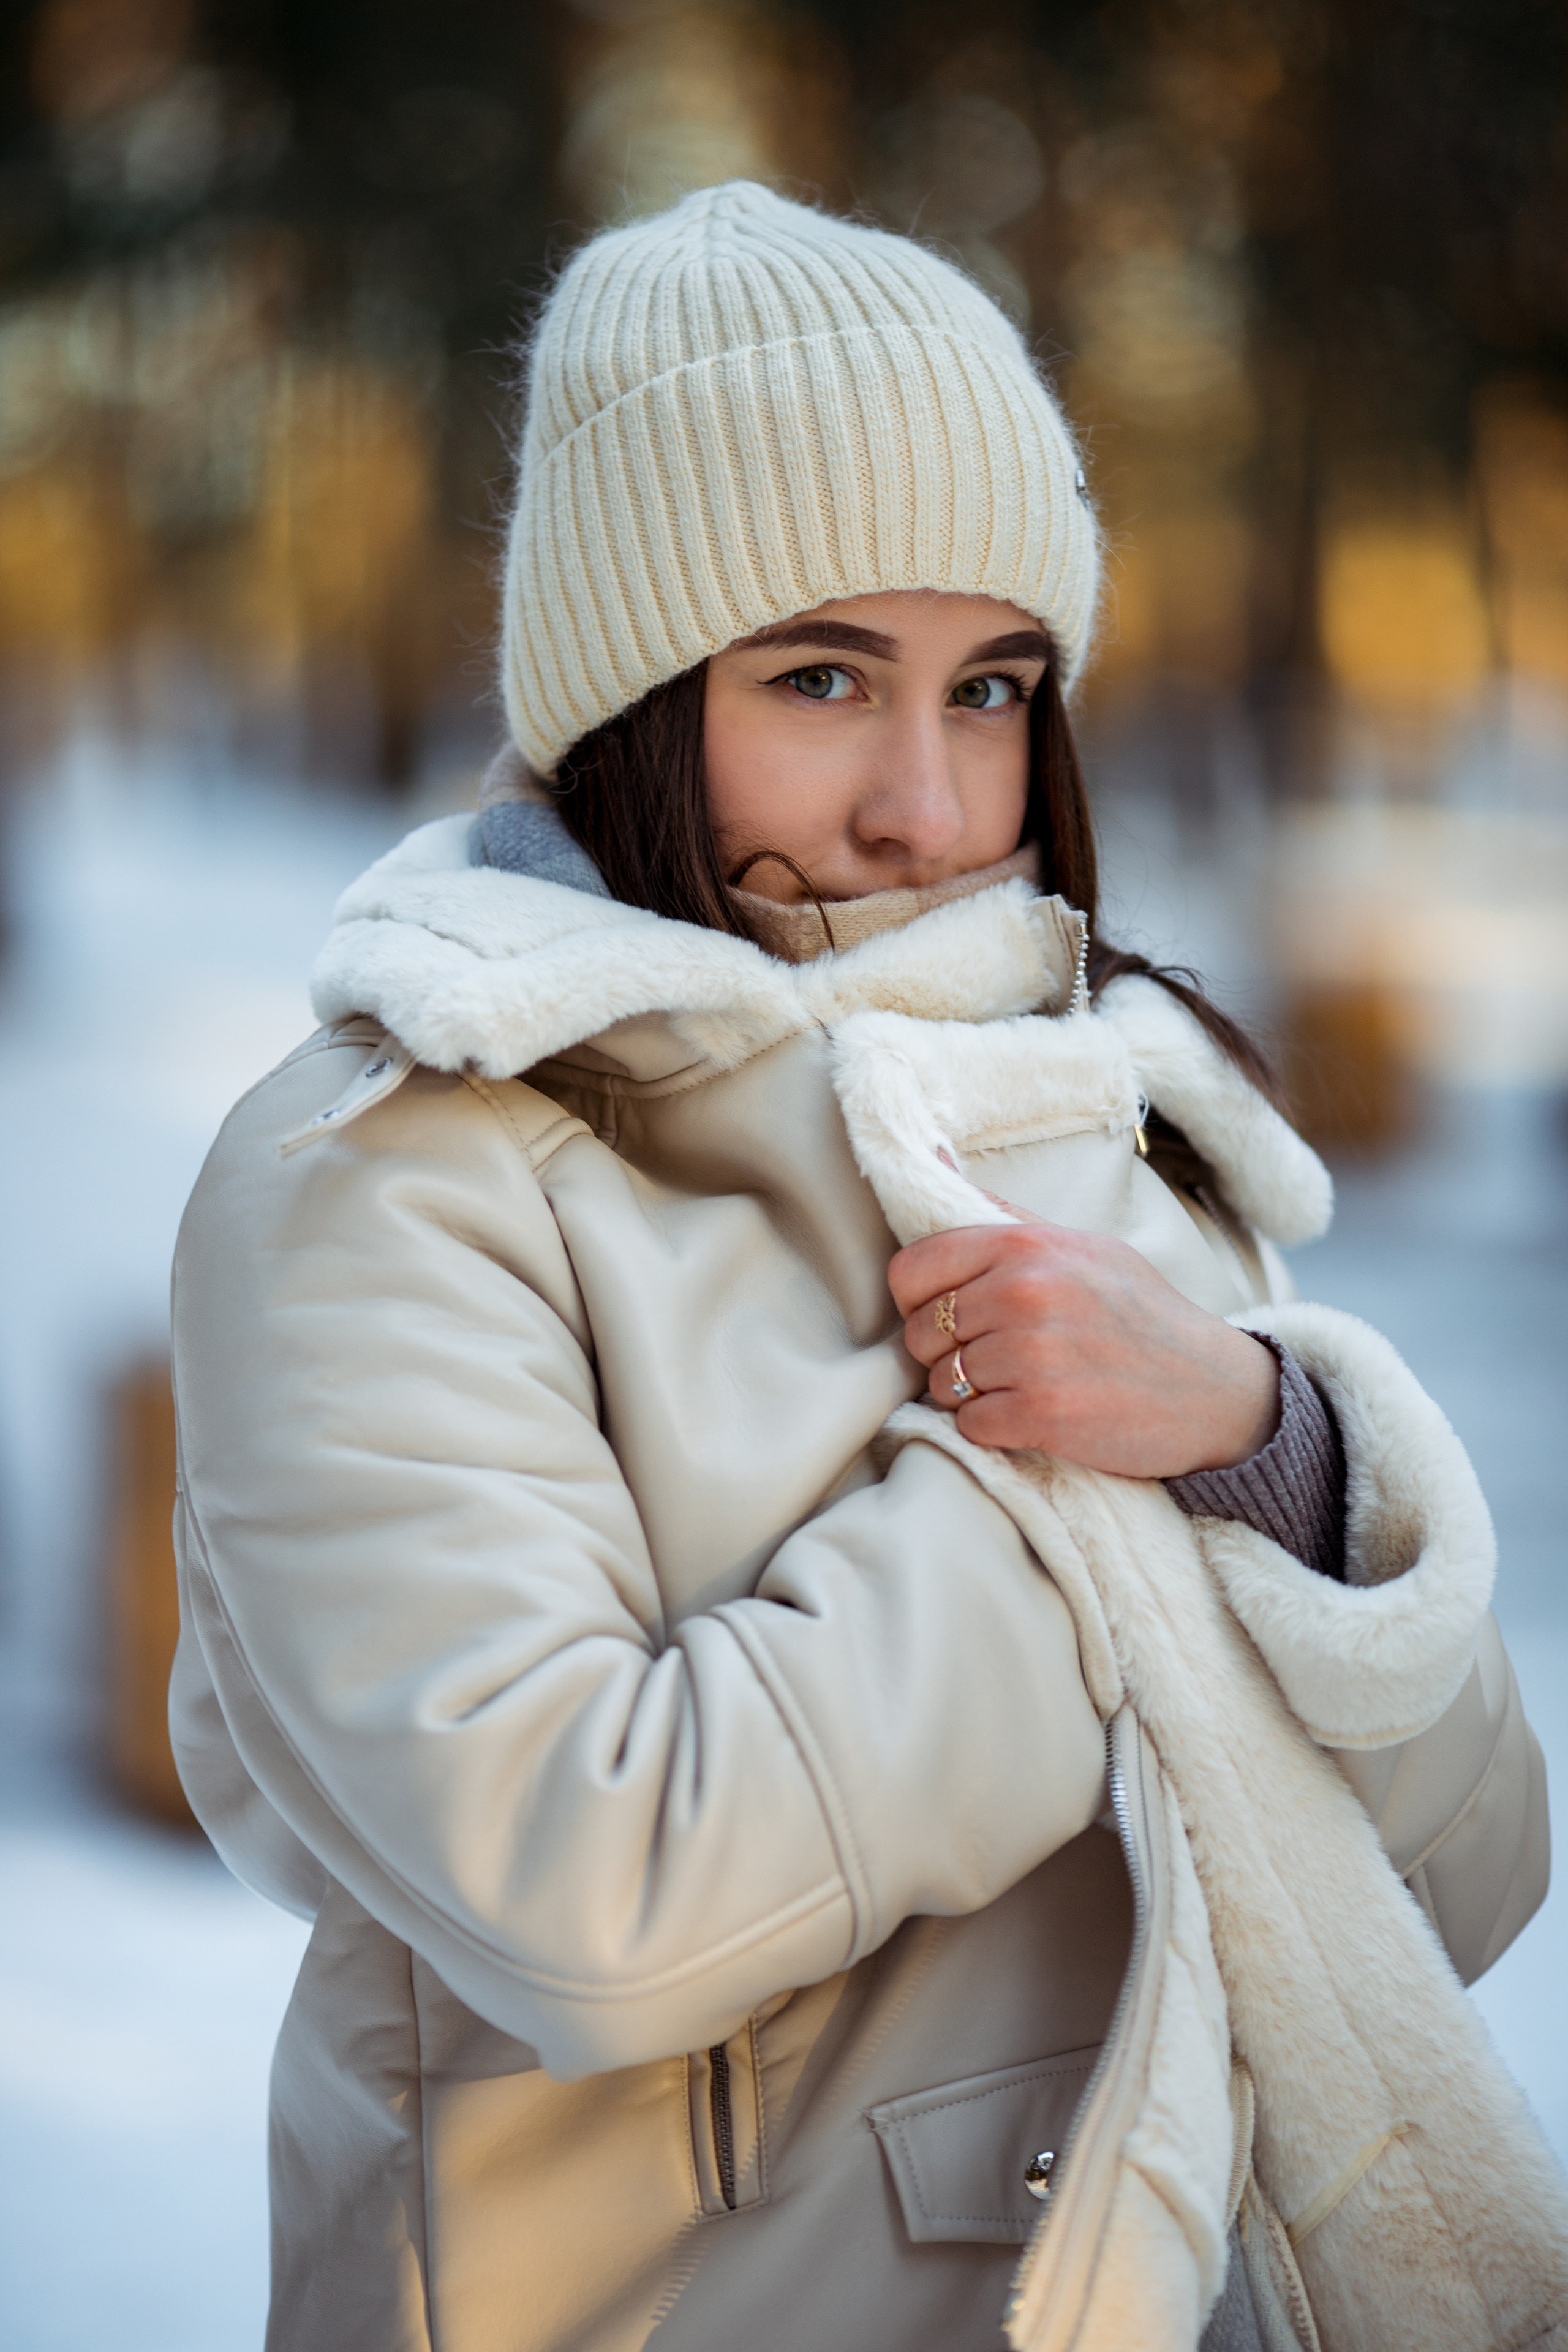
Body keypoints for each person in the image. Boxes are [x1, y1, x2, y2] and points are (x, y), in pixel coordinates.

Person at [169, 184, 1562, 2352]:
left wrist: (1271, 1456)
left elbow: (1457, 1894)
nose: (928, 804)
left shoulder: (1095, 1107)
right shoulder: (394, 1181)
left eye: (993, 687)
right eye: (823, 677)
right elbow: (593, 1897)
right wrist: (1077, 1486)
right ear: (635, 692)